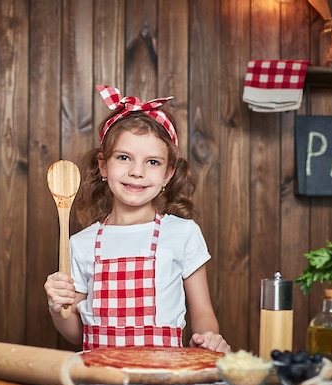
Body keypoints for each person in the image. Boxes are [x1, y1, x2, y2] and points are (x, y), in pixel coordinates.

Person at [44, 85, 231, 353]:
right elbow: (75, 334)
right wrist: (56, 307)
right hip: (99, 381)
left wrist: (209, 338)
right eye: (124, 158)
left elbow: (202, 313)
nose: (137, 172)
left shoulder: (184, 233)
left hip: (163, 380)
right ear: (103, 166)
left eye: (152, 162)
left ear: (167, 174)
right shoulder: (79, 243)